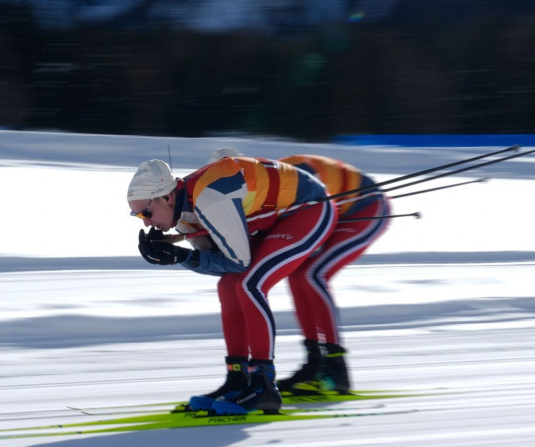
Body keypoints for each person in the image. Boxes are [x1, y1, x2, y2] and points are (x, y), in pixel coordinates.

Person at [126, 155, 337, 414]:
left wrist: (182, 257)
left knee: (250, 284)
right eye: (138, 217)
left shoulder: (210, 199)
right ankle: (239, 379)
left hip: (310, 208)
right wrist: (176, 255)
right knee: (229, 286)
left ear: (167, 197)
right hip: (275, 216)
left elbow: (238, 262)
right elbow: (217, 262)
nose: (146, 222)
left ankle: (264, 385)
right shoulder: (181, 212)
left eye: (146, 212)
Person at [207, 147, 391, 396]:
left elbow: (312, 188)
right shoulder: (252, 193)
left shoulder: (286, 173)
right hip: (339, 212)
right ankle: (316, 363)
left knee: (312, 274)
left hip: (367, 208)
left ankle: (336, 366)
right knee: (297, 276)